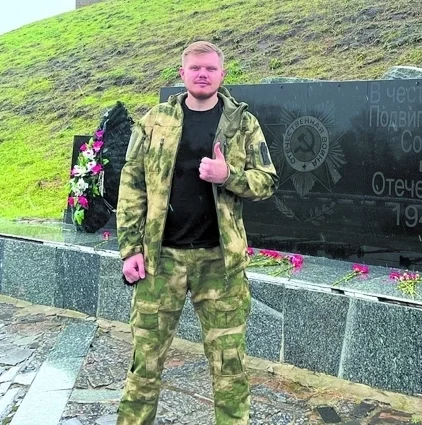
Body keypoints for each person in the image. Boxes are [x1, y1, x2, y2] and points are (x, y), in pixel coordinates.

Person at [115, 40, 278, 425]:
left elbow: (267, 181)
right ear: (182, 74)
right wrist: (129, 250)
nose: (202, 74)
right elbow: (132, 184)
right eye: (195, 68)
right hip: (160, 262)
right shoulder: (155, 121)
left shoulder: (241, 123)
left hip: (219, 264)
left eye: (210, 68)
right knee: (145, 363)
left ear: (222, 75)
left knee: (229, 367)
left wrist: (229, 177)